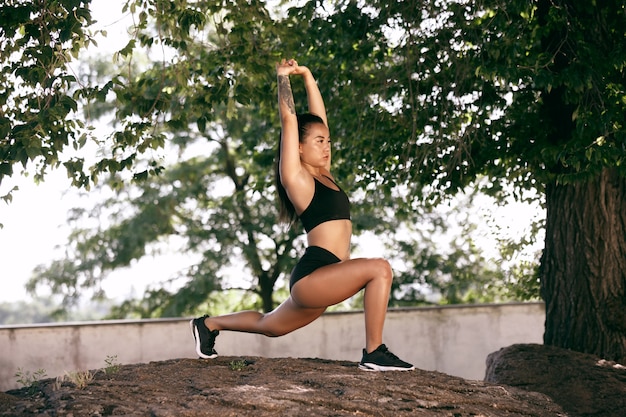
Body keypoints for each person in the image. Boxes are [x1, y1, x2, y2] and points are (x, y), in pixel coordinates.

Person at [190, 58, 414, 372]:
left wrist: (308, 76)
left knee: (271, 326)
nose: (326, 147)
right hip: (314, 276)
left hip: (330, 275)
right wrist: (283, 77)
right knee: (380, 269)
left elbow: (319, 119)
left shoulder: (326, 175)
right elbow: (289, 120)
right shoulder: (297, 180)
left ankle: (208, 324)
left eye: (329, 142)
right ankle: (374, 351)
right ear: (297, 147)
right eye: (319, 142)